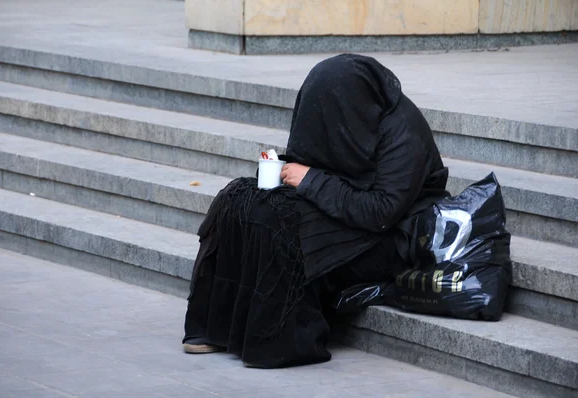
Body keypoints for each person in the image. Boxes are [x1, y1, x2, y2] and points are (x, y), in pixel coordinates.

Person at [182, 54, 449, 368]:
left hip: (392, 235)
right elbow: (315, 157)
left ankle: (283, 341)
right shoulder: (343, 114)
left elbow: (382, 212)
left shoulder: (405, 132)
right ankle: (217, 326)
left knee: (286, 224)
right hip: (345, 206)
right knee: (240, 200)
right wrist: (280, 169)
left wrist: (310, 180)